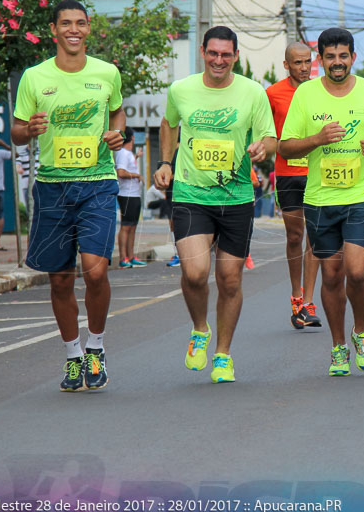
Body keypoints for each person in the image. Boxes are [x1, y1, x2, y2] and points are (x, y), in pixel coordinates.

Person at [11, 0, 125, 392]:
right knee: (60, 279)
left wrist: (118, 133)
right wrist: (30, 130)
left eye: (80, 23)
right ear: (54, 30)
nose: (73, 29)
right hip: (53, 185)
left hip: (97, 181)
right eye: (66, 23)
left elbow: (117, 113)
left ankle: (96, 347)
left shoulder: (107, 73)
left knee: (95, 269)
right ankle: (74, 355)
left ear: (88, 28)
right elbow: (17, 130)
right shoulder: (34, 77)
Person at [154, 26, 275, 383]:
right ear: (203, 52)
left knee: (229, 280)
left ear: (235, 56)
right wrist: (164, 163)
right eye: (213, 53)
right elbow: (168, 123)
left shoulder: (253, 92)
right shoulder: (182, 89)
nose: (219, 60)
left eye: (226, 55)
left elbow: (269, 135)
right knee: (194, 272)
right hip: (191, 195)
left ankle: (223, 354)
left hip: (236, 197)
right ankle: (199, 328)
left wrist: (263, 147)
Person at [279, 27, 364, 376]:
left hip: (362, 194)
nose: (337, 62)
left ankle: (361, 332)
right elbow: (286, 146)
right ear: (320, 60)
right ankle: (338, 347)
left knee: (357, 270)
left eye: (343, 56)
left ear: (353, 57)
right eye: (330, 56)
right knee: (331, 275)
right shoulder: (306, 95)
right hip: (320, 198)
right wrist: (316, 139)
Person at [266, 41, 323, 329]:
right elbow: (265, 133)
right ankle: (295, 295)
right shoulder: (272, 94)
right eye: (297, 63)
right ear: (286, 65)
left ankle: (308, 302)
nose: (303, 67)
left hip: (316, 171)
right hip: (287, 174)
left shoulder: (320, 91)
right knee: (294, 236)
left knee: (314, 236)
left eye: (307, 62)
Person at [114, 127, 145, 268]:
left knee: (133, 226)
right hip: (126, 194)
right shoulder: (122, 152)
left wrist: (137, 156)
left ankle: (131, 256)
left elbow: (128, 167)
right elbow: (120, 172)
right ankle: (123, 258)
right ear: (132, 138)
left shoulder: (129, 154)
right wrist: (137, 176)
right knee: (126, 226)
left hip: (134, 194)